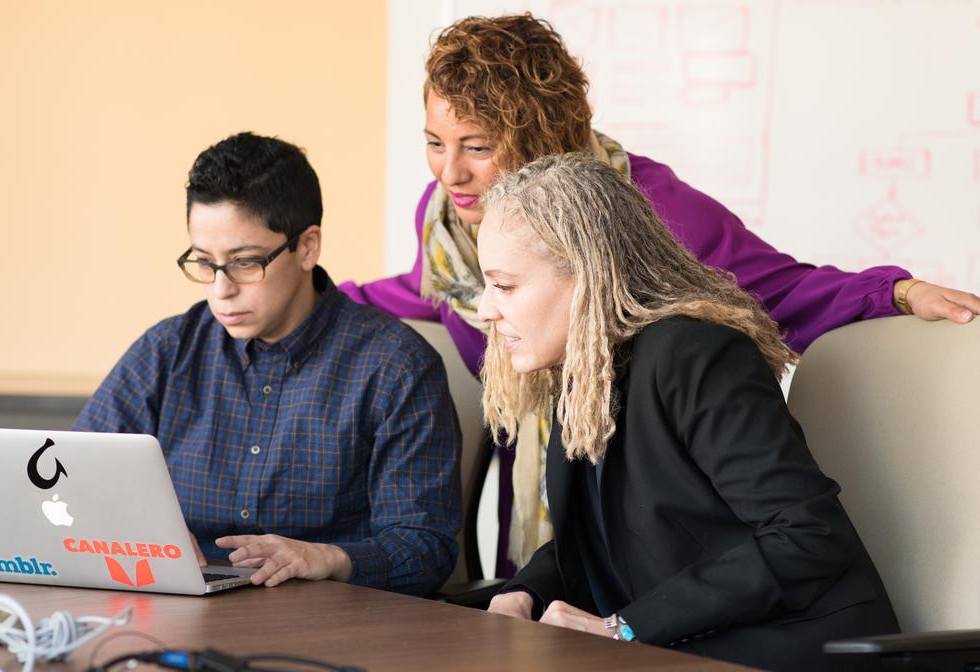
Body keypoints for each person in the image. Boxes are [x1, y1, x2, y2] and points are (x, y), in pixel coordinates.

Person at [338, 13, 980, 576]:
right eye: (433, 142)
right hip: (553, 522)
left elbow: (779, 289)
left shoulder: (650, 208)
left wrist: (897, 293)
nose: (450, 172)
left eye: (477, 147)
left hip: (655, 525)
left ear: (537, 136)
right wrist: (314, 297)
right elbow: (430, 293)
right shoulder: (450, 218)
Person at [479, 152, 900, 671]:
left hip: (791, 647)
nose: (483, 308)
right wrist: (524, 594)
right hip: (681, 645)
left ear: (587, 275)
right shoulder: (582, 370)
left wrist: (624, 628)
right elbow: (602, 539)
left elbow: (807, 534)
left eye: (504, 285)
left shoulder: (697, 353)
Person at [73, 132, 462, 596]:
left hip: (327, 628)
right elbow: (76, 479)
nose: (221, 289)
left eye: (244, 262)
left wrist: (328, 557)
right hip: (174, 615)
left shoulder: (396, 367)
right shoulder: (167, 351)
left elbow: (425, 548)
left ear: (307, 247)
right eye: (204, 263)